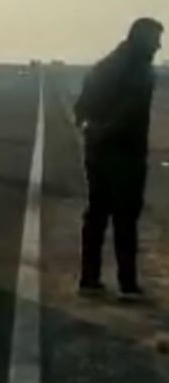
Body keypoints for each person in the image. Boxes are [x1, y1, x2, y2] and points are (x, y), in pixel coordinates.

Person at [74, 17, 163, 300]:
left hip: (98, 151)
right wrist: (107, 130)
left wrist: (93, 131)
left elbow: (80, 109)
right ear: (142, 40)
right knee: (125, 217)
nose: (159, 46)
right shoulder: (140, 71)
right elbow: (129, 113)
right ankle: (127, 283)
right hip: (125, 152)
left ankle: (89, 278)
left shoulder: (104, 65)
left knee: (97, 213)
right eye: (155, 40)